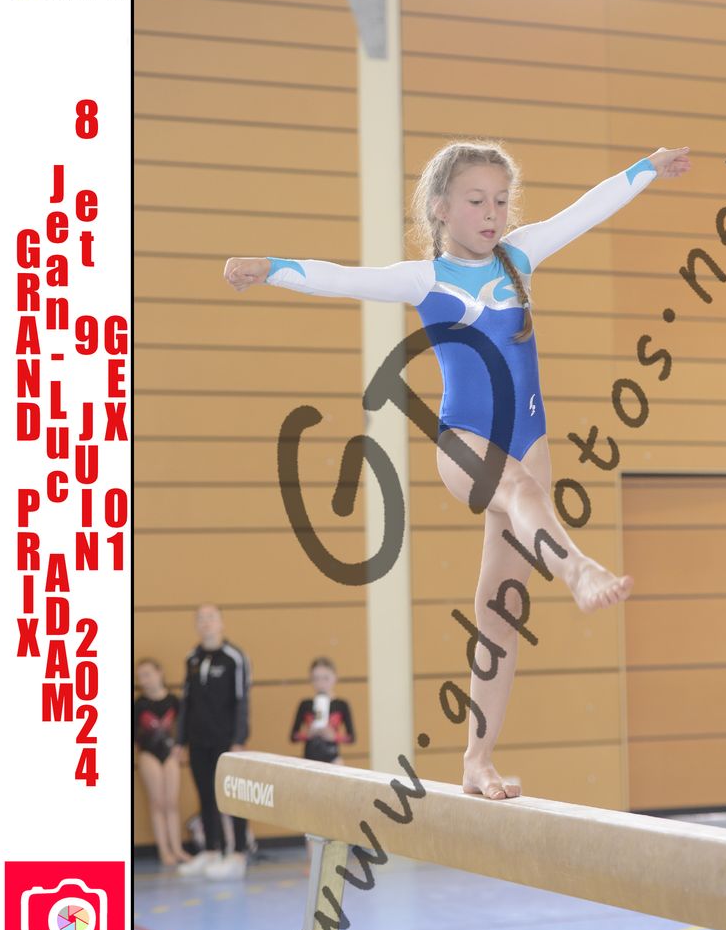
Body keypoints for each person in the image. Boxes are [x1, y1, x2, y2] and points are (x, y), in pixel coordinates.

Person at [224, 141, 690, 801]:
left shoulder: (520, 256)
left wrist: (647, 168)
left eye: (501, 200)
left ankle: (477, 760)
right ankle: (577, 568)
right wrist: (268, 268)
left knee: (501, 610)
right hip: (465, 443)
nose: (493, 213)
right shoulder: (425, 279)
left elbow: (586, 210)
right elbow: (340, 277)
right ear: (441, 208)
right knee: (518, 491)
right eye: (477, 201)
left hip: (530, 441)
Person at [175, 603, 252, 880]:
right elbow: (187, 702)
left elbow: (242, 700)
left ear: (221, 623)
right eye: (200, 619)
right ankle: (211, 850)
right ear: (196, 626)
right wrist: (180, 740)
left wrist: (239, 739)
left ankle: (238, 853)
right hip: (199, 740)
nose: (205, 622)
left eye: (211, 618)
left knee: (233, 796)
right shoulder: (192, 658)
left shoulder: (234, 658)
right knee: (206, 795)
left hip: (226, 740)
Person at [134, 658, 189, 867]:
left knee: (171, 803)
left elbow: (182, 728)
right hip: (148, 754)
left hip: (170, 754)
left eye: (147, 675)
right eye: (140, 677)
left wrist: (181, 747)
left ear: (160, 673)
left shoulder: (174, 701)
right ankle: (164, 850)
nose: (144, 680)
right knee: (157, 802)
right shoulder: (139, 705)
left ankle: (177, 849)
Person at [291, 657, 355, 765]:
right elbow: (293, 736)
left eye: (326, 678)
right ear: (311, 680)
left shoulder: (341, 705)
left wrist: (334, 736)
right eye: (316, 678)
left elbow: (351, 738)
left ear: (335, 678)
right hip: (309, 761)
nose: (321, 683)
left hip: (333, 760)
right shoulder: (305, 704)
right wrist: (308, 734)